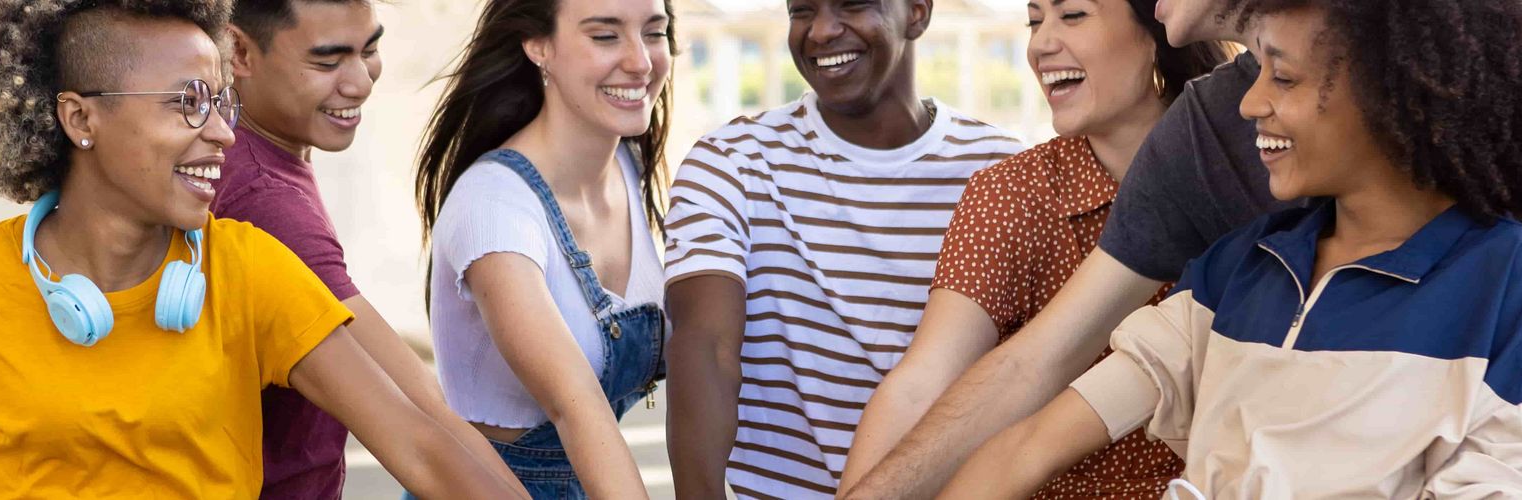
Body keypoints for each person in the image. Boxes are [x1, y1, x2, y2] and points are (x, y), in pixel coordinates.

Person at [847, 0, 1522, 495]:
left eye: (1289, 76)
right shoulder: (1223, 203)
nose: (1260, 106)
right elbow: (1042, 369)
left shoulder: (1483, 32)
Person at [0, 1, 524, 498]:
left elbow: (420, 445)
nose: (221, 132)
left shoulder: (252, 269)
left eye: (220, 101)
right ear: (80, 120)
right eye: (186, 104)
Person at [838, 0, 1232, 496]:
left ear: (1158, 29)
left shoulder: (1251, 172)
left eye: (1072, 15)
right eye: (1033, 20)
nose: (1041, 44)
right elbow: (926, 378)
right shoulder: (1014, 193)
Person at [660, 0, 1027, 496]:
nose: (821, 31)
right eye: (801, 10)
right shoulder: (730, 162)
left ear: (917, 12)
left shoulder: (1003, 173)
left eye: (853, 5)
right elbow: (707, 347)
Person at [215, 1, 519, 497]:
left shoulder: (252, 153)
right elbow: (419, 417)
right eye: (328, 61)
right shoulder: (264, 199)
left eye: (370, 49)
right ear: (239, 51)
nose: (360, 82)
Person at [414, 0, 674, 497]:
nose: (641, 61)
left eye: (655, 33)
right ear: (538, 46)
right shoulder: (493, 204)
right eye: (605, 35)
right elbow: (575, 407)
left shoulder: (629, 164)